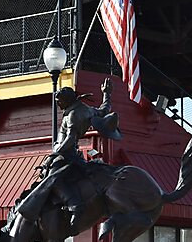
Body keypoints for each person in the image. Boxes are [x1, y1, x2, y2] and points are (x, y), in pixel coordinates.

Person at [18, 78, 121, 230]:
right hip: (69, 153)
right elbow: (104, 110)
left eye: (59, 101)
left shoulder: (73, 115)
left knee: (53, 179)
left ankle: (75, 205)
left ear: (67, 100)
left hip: (67, 155)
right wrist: (106, 94)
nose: (57, 104)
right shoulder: (85, 108)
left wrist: (54, 154)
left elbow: (70, 138)